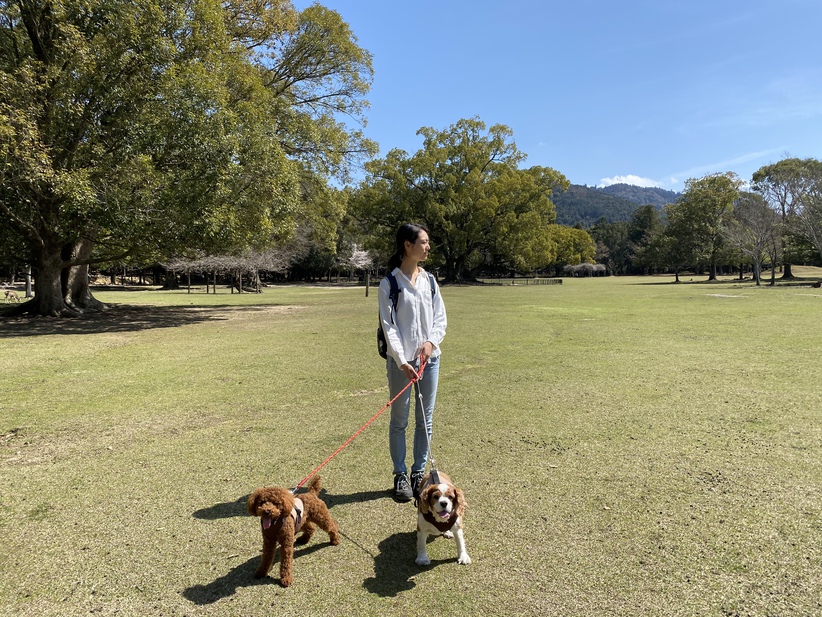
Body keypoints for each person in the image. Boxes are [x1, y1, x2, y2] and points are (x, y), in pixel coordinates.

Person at [378, 223, 447, 502]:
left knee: (425, 420)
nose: (428, 247)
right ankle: (400, 475)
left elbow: (440, 317)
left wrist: (431, 343)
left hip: (429, 362)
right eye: (424, 242)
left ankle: (419, 473)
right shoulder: (389, 283)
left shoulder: (430, 281)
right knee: (399, 421)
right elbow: (388, 326)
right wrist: (401, 360)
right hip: (401, 365)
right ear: (408, 245)